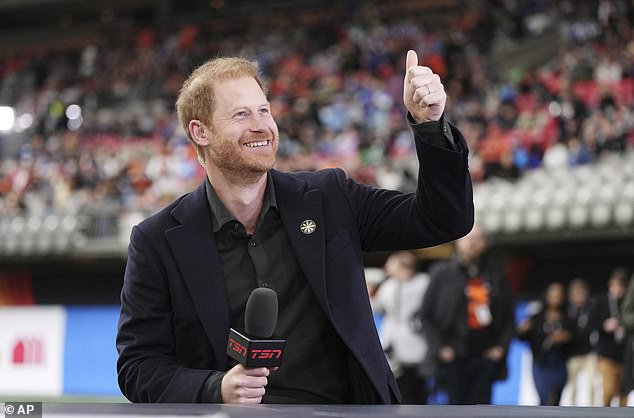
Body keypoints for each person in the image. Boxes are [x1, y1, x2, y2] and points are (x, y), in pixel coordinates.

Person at [116, 50, 474, 404]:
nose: (262, 125)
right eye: (241, 114)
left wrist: (430, 127)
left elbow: (443, 219)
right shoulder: (157, 241)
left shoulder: (330, 198)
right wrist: (216, 388)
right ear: (200, 131)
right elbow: (138, 366)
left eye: (264, 111)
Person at [417, 224, 515, 405]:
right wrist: (440, 348)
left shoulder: (496, 272)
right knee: (455, 407)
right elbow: (426, 316)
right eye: (468, 238)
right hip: (453, 355)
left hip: (485, 355)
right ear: (458, 242)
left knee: (482, 408)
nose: (473, 243)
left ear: (485, 243)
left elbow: (509, 317)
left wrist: (501, 347)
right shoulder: (442, 273)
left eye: (478, 239)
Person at [373, 251, 431, 404]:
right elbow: (378, 306)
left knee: (415, 389)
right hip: (392, 343)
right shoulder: (389, 285)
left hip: (416, 342)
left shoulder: (423, 282)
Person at [518, 282, 573, 406]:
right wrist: (523, 330)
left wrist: (566, 337)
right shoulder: (536, 317)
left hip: (559, 365)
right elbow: (523, 337)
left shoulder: (568, 318)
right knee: (545, 397)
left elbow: (576, 338)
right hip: (541, 364)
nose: (556, 298)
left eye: (559, 295)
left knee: (555, 400)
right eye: (553, 295)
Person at [593, 267, 629, 406]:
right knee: (608, 388)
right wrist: (604, 325)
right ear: (610, 284)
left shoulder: (627, 303)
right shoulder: (601, 301)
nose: (619, 289)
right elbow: (591, 323)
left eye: (622, 285)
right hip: (606, 353)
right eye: (616, 285)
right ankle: (604, 414)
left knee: (623, 391)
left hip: (624, 353)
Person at [563, 278, 597, 406]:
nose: (580, 297)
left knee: (591, 385)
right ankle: (570, 412)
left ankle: (592, 413)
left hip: (589, 353)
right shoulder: (566, 310)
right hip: (572, 355)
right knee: (571, 386)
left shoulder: (592, 308)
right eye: (577, 294)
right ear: (571, 296)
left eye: (582, 294)